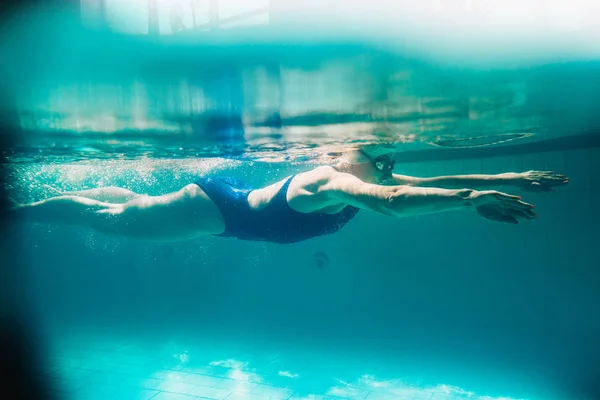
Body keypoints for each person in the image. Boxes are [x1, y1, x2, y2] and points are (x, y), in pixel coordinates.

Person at [9, 146, 569, 244]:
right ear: (350, 159)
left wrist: (512, 181)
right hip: (216, 212)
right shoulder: (329, 181)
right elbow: (393, 205)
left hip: (221, 202)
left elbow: (425, 186)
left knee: (126, 205)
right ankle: (21, 210)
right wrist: (473, 200)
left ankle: (48, 201)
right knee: (108, 219)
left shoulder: (365, 174)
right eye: (381, 160)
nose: (389, 168)